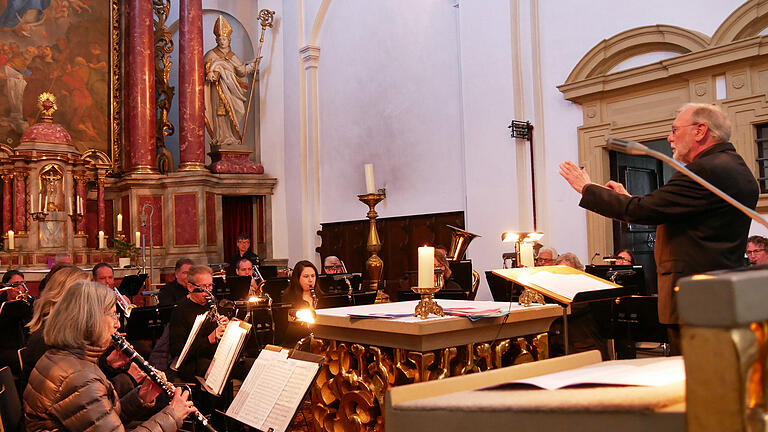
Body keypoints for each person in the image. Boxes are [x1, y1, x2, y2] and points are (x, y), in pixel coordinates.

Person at [559, 103, 759, 354]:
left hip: (696, 300)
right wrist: (631, 198)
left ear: (700, 131)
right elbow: (683, 217)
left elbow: (643, 210)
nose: (669, 137)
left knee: (695, 381)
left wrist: (587, 189)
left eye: (675, 130)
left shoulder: (704, 171)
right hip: (717, 295)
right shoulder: (732, 166)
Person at [23, 280, 195, 431]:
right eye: (113, 315)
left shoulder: (63, 357)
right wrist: (172, 415)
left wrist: (140, 398)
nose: (117, 323)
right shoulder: (79, 378)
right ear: (91, 319)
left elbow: (101, 419)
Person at [23, 266, 91, 380]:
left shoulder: (67, 332)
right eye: (86, 296)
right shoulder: (48, 339)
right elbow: (80, 388)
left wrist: (109, 364)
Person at [204, 15, 258, 147]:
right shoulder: (211, 54)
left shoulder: (232, 56)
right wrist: (211, 72)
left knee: (238, 110)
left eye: (225, 39)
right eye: (220, 39)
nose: (223, 42)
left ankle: (232, 137)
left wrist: (252, 65)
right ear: (217, 40)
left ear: (229, 40)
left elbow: (241, 71)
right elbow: (204, 70)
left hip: (233, 91)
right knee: (220, 113)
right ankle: (222, 138)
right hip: (218, 90)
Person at [168, 265, 229, 382]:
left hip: (215, 357)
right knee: (218, 371)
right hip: (192, 363)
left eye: (210, 285)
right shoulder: (180, 310)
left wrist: (228, 326)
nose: (208, 291)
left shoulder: (212, 302)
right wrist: (208, 340)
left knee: (247, 366)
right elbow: (177, 350)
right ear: (190, 287)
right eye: (203, 287)